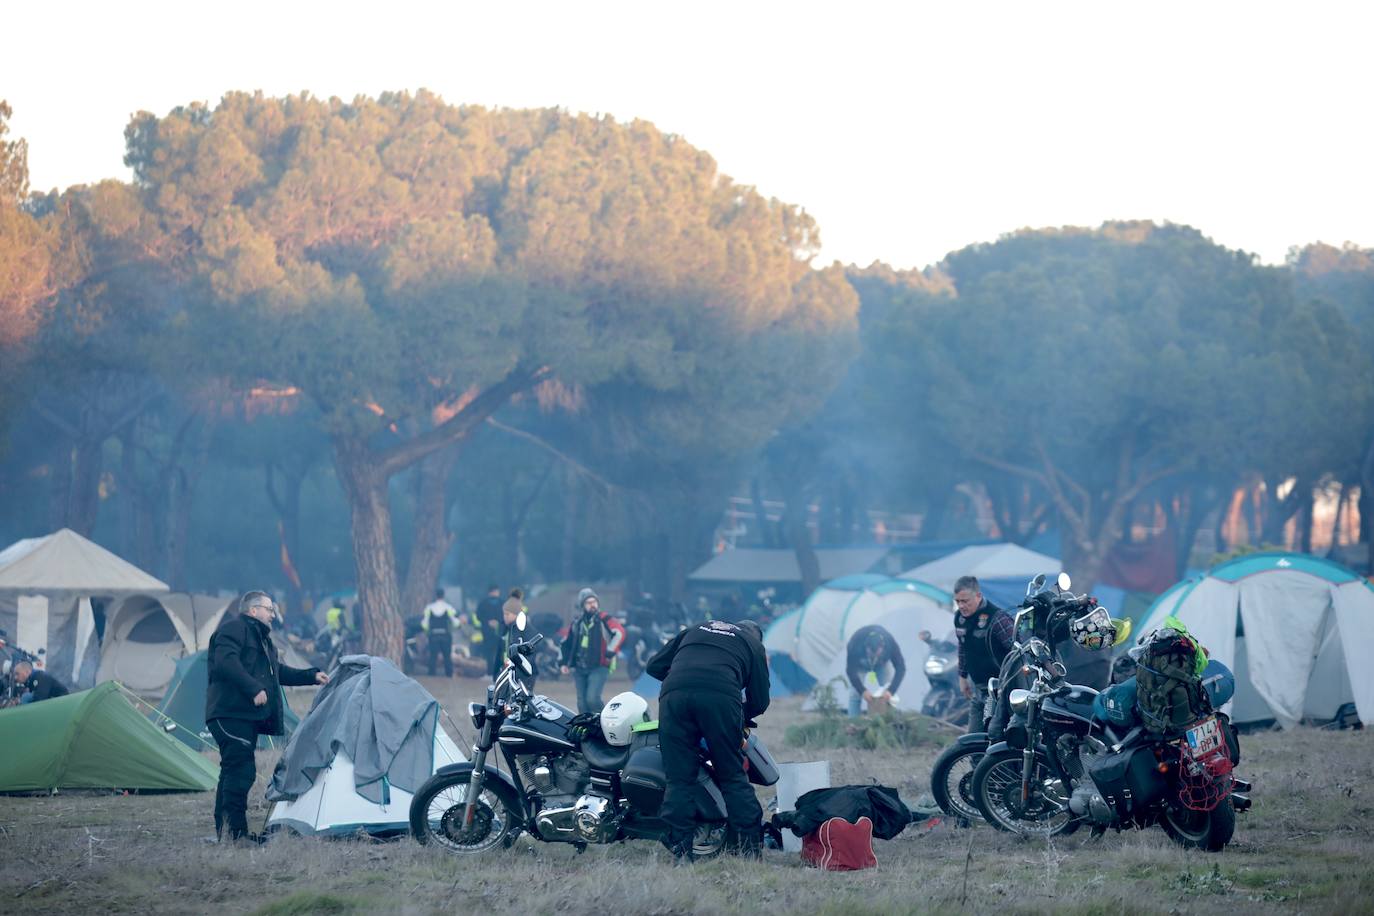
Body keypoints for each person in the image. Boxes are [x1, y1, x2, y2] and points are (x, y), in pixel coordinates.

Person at [206, 591, 327, 844]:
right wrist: (253, 688)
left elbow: (277, 672)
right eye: (269, 609)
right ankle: (236, 835)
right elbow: (225, 662)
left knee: (232, 771)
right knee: (241, 771)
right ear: (253, 610)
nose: (273, 614)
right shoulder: (233, 629)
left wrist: (311, 676)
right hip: (229, 713)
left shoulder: (263, 640)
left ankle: (227, 834)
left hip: (244, 716)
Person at [646, 619, 770, 861]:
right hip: (721, 698)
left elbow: (654, 666)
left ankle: (682, 852)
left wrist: (684, 680)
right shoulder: (753, 645)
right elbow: (760, 700)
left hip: (674, 696)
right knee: (732, 775)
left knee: (679, 778)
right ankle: (749, 850)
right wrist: (740, 713)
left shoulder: (698, 628)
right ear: (757, 636)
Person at [953, 575, 1015, 732]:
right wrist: (962, 677)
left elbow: (1017, 651)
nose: (961, 606)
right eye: (957, 601)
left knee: (994, 736)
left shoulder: (997, 618)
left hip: (1000, 691)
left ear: (978, 596)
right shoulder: (959, 619)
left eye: (965, 601)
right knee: (972, 739)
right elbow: (963, 646)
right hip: (978, 689)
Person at [559, 588, 626, 714]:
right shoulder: (577, 623)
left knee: (592, 700)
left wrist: (610, 651)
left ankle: (605, 722)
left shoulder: (604, 619)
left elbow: (620, 632)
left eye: (594, 601)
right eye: (588, 603)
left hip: (599, 666)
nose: (592, 605)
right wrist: (563, 663)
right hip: (579, 668)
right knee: (582, 704)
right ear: (582, 606)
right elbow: (565, 643)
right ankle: (587, 730)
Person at [844, 625, 906, 717]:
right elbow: (850, 671)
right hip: (860, 665)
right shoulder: (856, 643)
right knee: (855, 694)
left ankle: (890, 720)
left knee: (888, 694)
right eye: (870, 653)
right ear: (866, 646)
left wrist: (891, 691)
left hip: (881, 664)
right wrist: (862, 691)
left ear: (883, 647)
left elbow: (901, 668)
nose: (873, 656)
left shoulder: (890, 643)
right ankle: (853, 722)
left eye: (876, 653)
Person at [421, 589, 459, 677]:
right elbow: (455, 622)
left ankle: (431, 676)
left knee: (433, 657)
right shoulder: (448, 607)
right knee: (447, 658)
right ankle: (449, 676)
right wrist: (453, 628)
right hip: (445, 635)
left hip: (433, 635)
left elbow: (424, 624)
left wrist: (428, 631)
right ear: (443, 595)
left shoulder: (429, 608)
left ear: (436, 595)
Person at [476, 584, 504, 677]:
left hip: (488, 631)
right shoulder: (502, 603)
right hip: (496, 631)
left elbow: (478, 616)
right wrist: (497, 622)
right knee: (496, 652)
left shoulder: (482, 603)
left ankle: (491, 673)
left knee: (491, 652)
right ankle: (495, 672)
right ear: (494, 591)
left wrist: (488, 621)